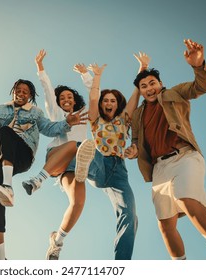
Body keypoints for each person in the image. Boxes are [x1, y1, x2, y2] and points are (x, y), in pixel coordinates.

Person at [125, 39, 206, 260]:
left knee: (186, 199)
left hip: (185, 157)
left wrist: (198, 64)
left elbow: (200, 86)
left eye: (152, 83)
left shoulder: (174, 93)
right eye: (144, 86)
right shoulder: (138, 114)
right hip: (159, 169)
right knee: (165, 225)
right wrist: (133, 151)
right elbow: (137, 141)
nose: (149, 88)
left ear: (160, 83)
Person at [0, 78, 87, 260]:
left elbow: (49, 128)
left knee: (5, 132)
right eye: (18, 90)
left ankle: (8, 187)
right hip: (1, 158)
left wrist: (67, 123)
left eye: (25, 92)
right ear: (13, 91)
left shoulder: (35, 112)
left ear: (30, 96)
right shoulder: (1, 109)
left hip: (23, 154)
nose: (21, 94)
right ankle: (1, 258)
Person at [73, 53, 149, 260]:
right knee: (89, 148)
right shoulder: (95, 119)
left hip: (119, 174)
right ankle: (85, 169)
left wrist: (142, 67)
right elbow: (93, 96)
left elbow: (136, 95)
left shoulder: (124, 119)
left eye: (112, 101)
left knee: (131, 217)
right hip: (100, 161)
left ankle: (121, 265)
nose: (108, 103)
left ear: (117, 104)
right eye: (106, 100)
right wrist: (96, 76)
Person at [21, 49, 95, 260]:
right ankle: (38, 180)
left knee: (78, 203)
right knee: (73, 144)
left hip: (76, 165)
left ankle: (57, 242)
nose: (66, 99)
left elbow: (94, 97)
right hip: (56, 158)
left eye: (69, 97)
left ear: (74, 99)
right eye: (62, 97)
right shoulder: (55, 113)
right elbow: (46, 89)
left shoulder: (84, 114)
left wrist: (86, 75)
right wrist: (40, 68)